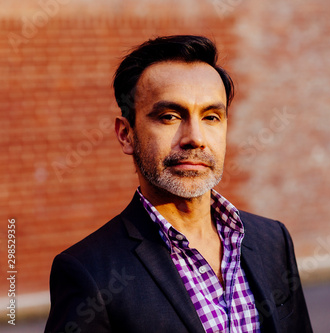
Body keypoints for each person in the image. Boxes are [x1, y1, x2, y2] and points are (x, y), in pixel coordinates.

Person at [45, 35, 312, 333]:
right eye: (170, 116)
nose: (195, 138)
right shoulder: (89, 272)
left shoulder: (272, 241)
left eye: (211, 117)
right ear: (126, 134)